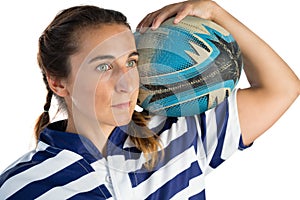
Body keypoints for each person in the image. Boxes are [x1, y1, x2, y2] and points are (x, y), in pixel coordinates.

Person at [0, 0, 299, 199]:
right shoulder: (21, 186)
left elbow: (282, 89)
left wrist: (214, 12)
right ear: (58, 82)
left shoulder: (179, 133)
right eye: (103, 67)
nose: (126, 83)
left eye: (131, 62)